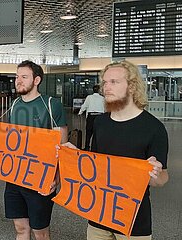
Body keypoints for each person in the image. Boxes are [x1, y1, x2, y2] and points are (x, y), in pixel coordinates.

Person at [69, 61, 168, 240]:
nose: (106, 87)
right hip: (99, 214)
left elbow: (162, 179)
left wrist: (155, 174)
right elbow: (96, 165)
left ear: (131, 86)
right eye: (105, 82)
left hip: (133, 221)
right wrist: (74, 156)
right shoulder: (101, 122)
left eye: (114, 82)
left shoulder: (154, 128)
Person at [0, 60, 68, 240]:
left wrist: (56, 179)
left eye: (24, 77)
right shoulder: (15, 104)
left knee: (40, 232)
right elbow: (9, 138)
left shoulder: (51, 105)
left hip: (40, 179)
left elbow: (62, 147)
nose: (18, 80)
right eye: (17, 77)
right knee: (20, 228)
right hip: (15, 177)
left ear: (37, 80)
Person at [78, 85, 105, 150]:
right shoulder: (102, 98)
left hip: (91, 116)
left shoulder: (89, 97)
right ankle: (97, 148)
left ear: (93, 90)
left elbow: (85, 106)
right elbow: (105, 108)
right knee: (98, 133)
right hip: (100, 117)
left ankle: (87, 147)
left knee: (88, 133)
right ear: (99, 91)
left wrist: (80, 112)